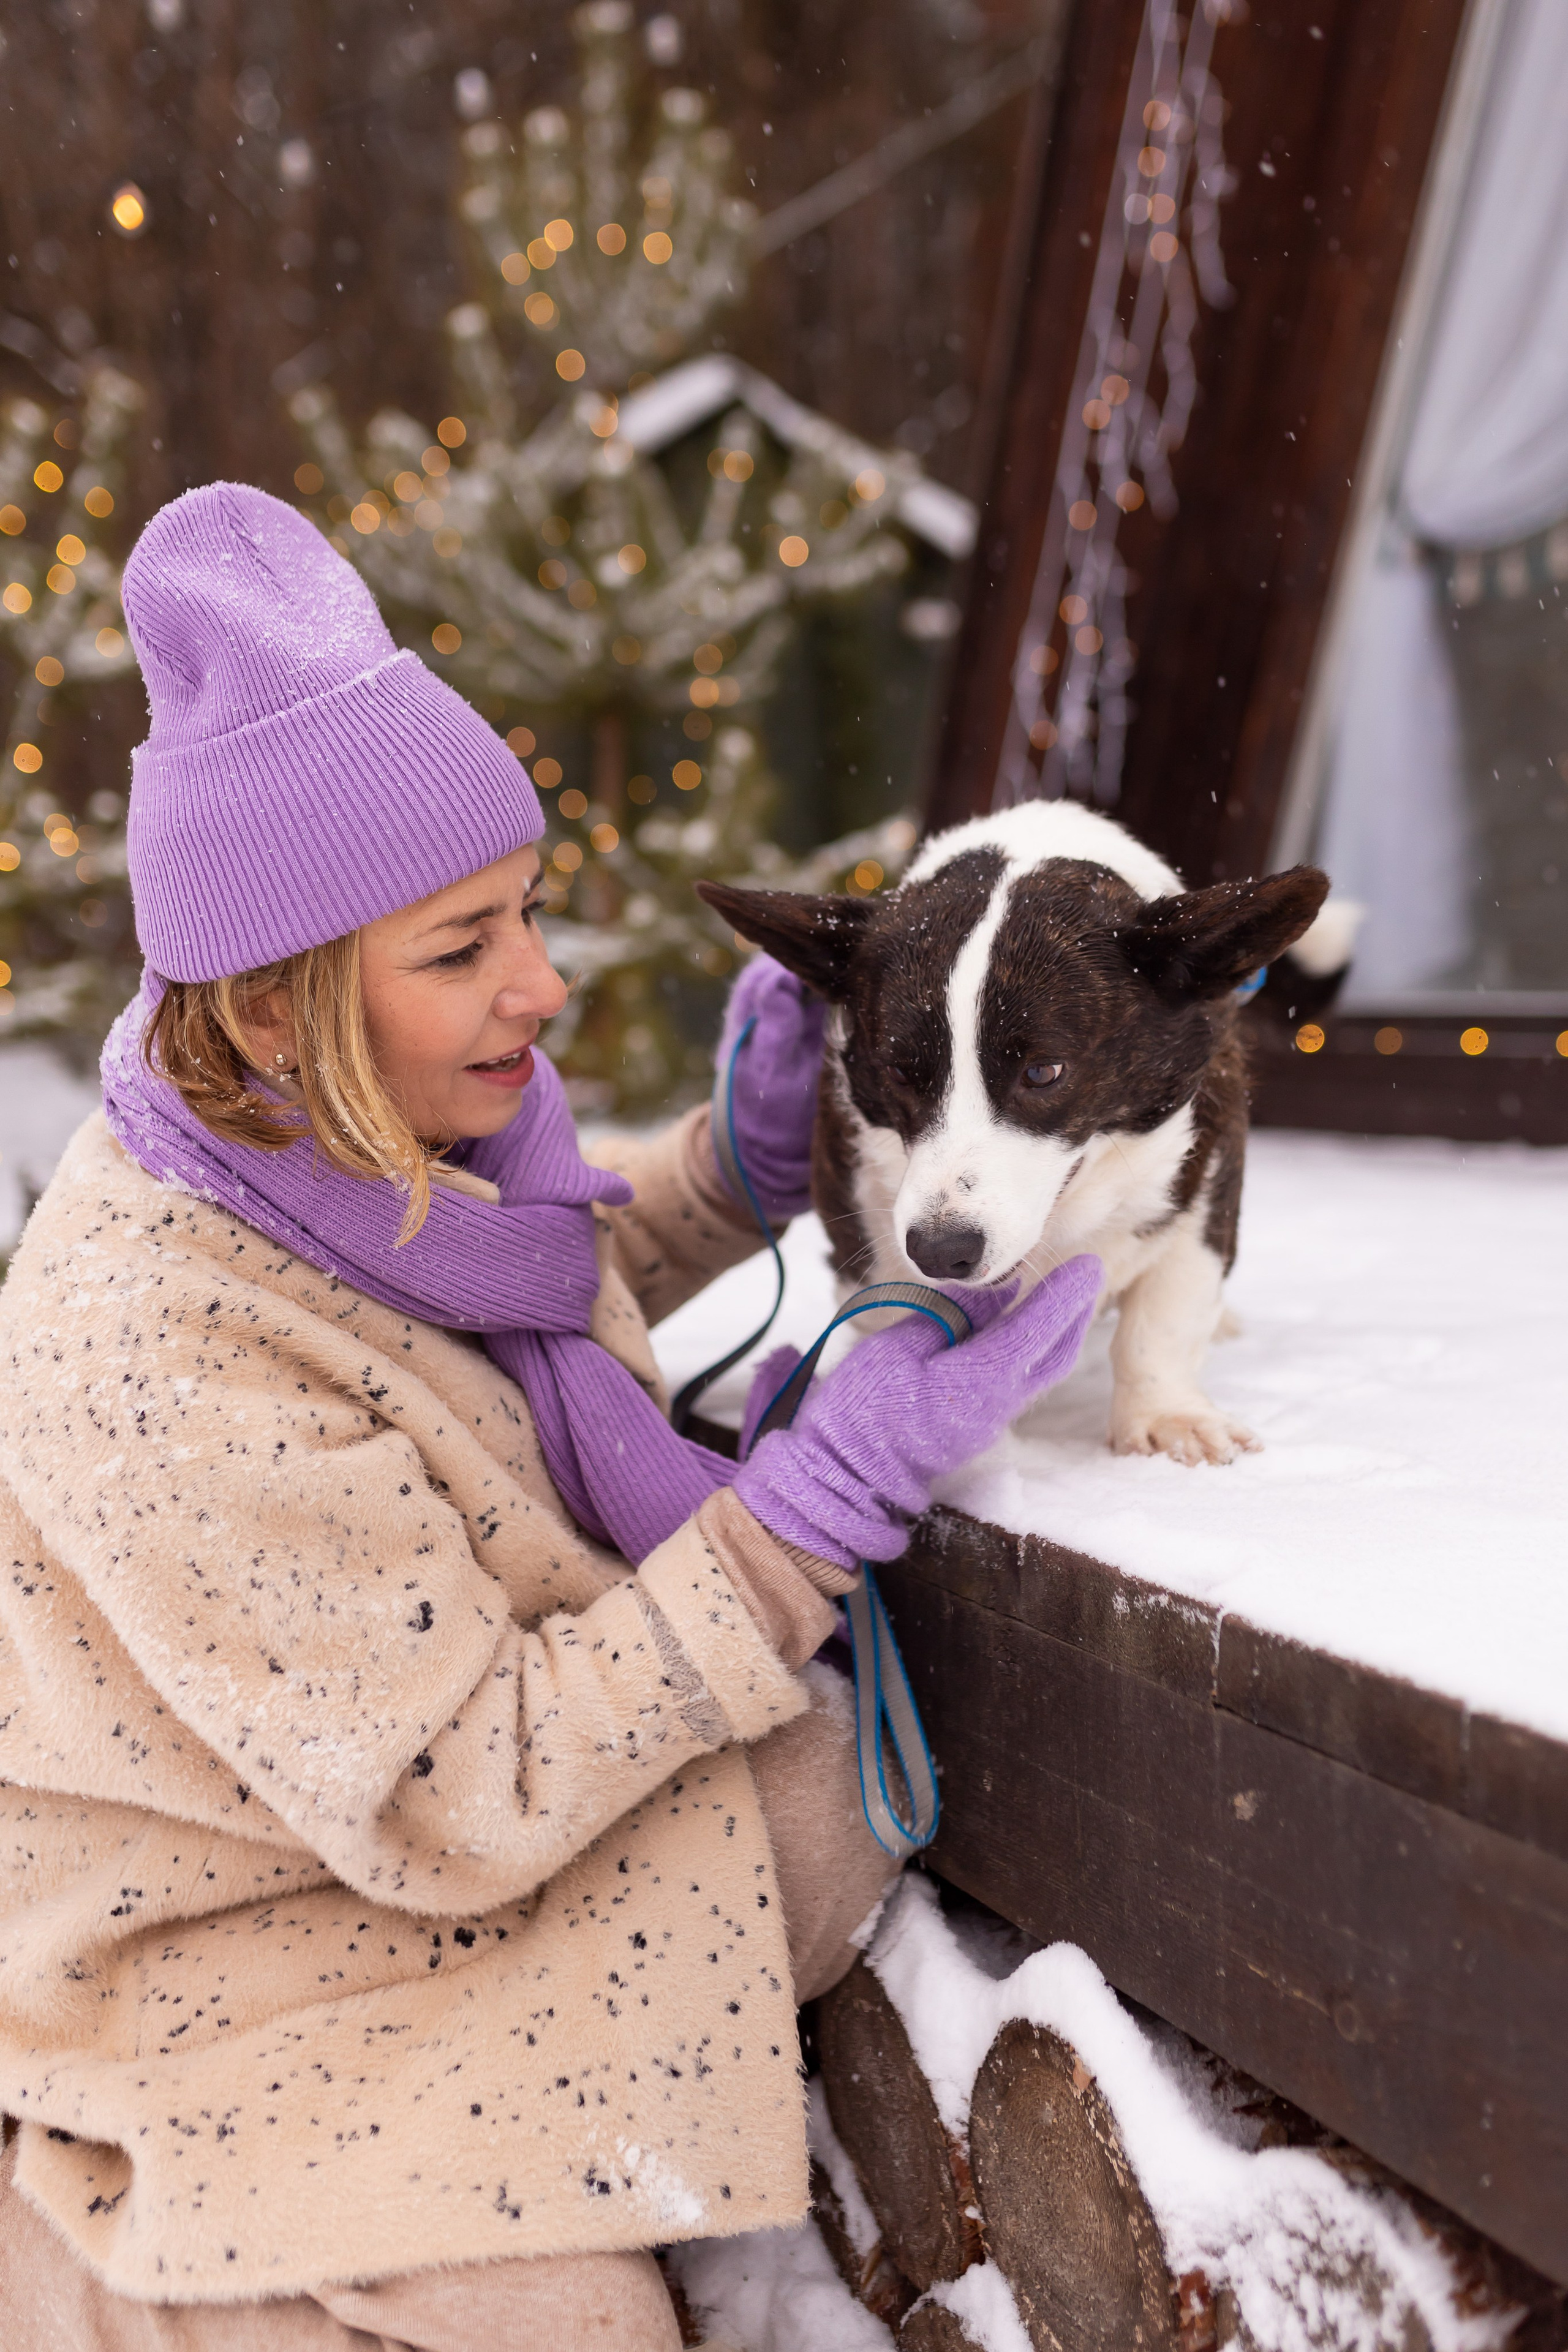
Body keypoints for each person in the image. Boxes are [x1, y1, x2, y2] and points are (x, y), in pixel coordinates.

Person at [0, 485, 1099, 2351]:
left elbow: (481, 1331)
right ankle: (87, 2266)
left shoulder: (349, 1153)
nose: (542, 984)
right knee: (561, 2322)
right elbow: (455, 1788)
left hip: (372, 1820)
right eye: (461, 947)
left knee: (822, 1811)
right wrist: (791, 1533)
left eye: (525, 912)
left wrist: (721, 1178)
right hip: (218, 1944)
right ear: (273, 1010)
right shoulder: (149, 1346)